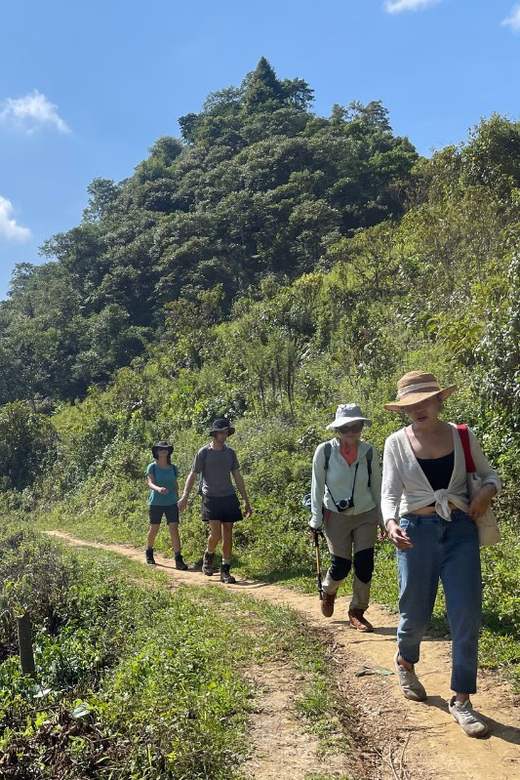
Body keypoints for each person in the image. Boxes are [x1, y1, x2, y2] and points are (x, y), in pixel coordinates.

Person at [382, 371, 500, 738]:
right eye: (410, 405)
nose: (418, 409)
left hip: (460, 531)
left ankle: (462, 700)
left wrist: (483, 495)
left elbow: (490, 475)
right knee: (414, 615)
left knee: (466, 614)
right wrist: (389, 524)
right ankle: (405, 660)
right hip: (415, 534)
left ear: (439, 401)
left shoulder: (461, 436)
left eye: (424, 401)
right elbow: (388, 493)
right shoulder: (395, 443)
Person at [309, 403, 383, 631]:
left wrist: (383, 519)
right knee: (341, 565)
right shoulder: (325, 451)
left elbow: (377, 487)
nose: (351, 432)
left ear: (362, 427)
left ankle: (357, 611)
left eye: (355, 426)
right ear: (337, 430)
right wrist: (316, 519)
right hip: (335, 515)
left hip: (365, 513)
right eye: (345, 428)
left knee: (364, 564)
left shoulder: (369, 452)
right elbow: (317, 486)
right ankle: (329, 591)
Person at [178, 418, 252, 584]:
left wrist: (246, 500)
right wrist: (185, 496)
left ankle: (225, 570)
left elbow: (237, 477)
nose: (224, 435)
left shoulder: (230, 453)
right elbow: (193, 475)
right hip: (211, 496)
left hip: (228, 496)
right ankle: (209, 553)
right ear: (214, 434)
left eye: (226, 432)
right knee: (216, 534)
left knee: (228, 532)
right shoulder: (203, 453)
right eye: (221, 432)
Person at [145, 440, 188, 570]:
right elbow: (150, 483)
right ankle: (149, 550)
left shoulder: (173, 468)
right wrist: (158, 489)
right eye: (160, 449)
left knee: (174, 528)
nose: (163, 451)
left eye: (165, 449)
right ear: (156, 452)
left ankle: (178, 558)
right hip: (156, 503)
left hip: (171, 502)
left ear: (168, 452)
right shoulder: (152, 467)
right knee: (154, 528)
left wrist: (179, 499)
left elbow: (175, 484)